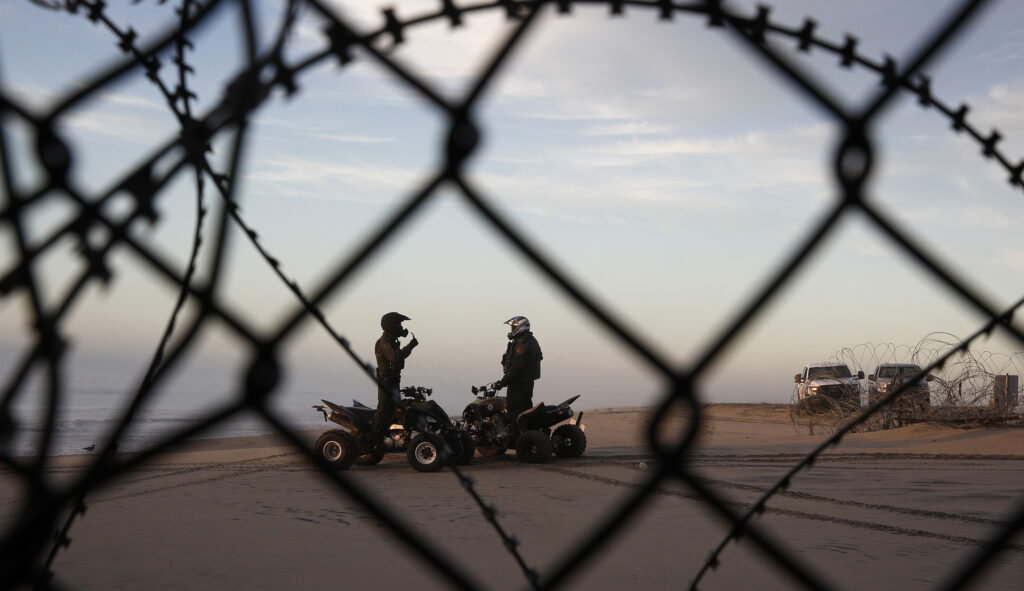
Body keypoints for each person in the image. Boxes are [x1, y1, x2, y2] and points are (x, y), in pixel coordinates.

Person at [495, 315, 542, 444]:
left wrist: (502, 383)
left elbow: (516, 368)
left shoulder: (523, 344)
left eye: (513, 327)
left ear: (521, 327)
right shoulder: (526, 341)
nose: (511, 330)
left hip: (519, 383)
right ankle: (526, 436)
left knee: (515, 410)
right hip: (524, 382)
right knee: (524, 409)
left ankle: (517, 438)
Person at [372, 312, 418, 442]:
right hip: (387, 382)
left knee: (395, 410)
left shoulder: (391, 340)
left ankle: (391, 437)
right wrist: (410, 346)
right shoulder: (385, 342)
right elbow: (396, 357)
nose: (401, 327)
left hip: (393, 380)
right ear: (391, 326)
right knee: (384, 410)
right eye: (398, 324)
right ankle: (373, 438)